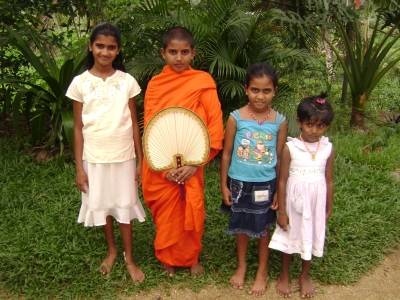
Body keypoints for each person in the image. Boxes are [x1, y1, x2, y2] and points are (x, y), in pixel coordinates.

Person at [66, 22, 146, 283]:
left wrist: (140, 160)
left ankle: (129, 258)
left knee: (124, 204)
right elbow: (78, 128)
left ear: (118, 50)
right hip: (95, 157)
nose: (105, 52)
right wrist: (79, 166)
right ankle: (112, 251)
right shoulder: (80, 83)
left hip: (124, 155)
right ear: (91, 47)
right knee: (103, 205)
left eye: (111, 47)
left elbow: (135, 122)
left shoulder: (127, 82)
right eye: (100, 46)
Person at [141, 26, 224, 276]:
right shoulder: (156, 85)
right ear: (163, 53)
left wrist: (196, 163)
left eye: (184, 52)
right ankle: (169, 257)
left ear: (193, 54)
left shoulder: (202, 81)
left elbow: (214, 123)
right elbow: (152, 126)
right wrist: (165, 166)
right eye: (173, 52)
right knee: (168, 213)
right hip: (162, 165)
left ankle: (191, 258)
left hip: (193, 160)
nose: (179, 58)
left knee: (192, 206)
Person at [220, 63, 288, 296]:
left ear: (274, 91)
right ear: (246, 89)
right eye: (255, 90)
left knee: (262, 228)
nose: (260, 96)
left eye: (266, 90)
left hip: (265, 184)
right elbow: (227, 153)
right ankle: (242, 266)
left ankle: (262, 270)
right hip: (238, 183)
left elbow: (279, 157)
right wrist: (223, 185)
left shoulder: (279, 121)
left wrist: (279, 190)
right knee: (240, 226)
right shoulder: (235, 118)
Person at [269, 94, 335, 298]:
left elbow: (329, 179)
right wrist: (281, 210)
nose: (314, 131)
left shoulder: (327, 148)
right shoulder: (290, 148)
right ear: (299, 122)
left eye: (320, 126)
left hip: (316, 202)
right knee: (290, 235)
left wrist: (328, 205)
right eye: (309, 125)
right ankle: (284, 274)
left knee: (311, 234)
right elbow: (282, 180)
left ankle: (305, 275)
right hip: (293, 202)